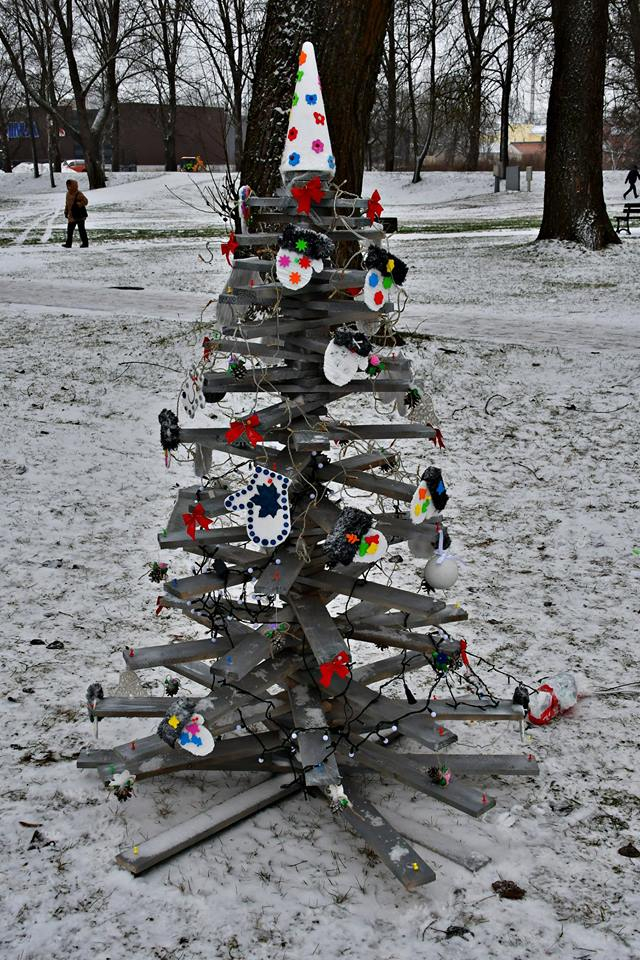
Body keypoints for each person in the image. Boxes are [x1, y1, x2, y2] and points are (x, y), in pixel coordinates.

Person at [62, 178, 89, 247]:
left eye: (70, 185)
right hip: (71, 215)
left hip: (79, 215)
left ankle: (85, 243)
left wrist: (79, 204)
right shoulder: (67, 194)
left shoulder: (79, 193)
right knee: (69, 231)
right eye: (67, 185)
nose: (68, 187)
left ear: (74, 185)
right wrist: (66, 212)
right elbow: (67, 204)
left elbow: (86, 201)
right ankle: (68, 244)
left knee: (81, 230)